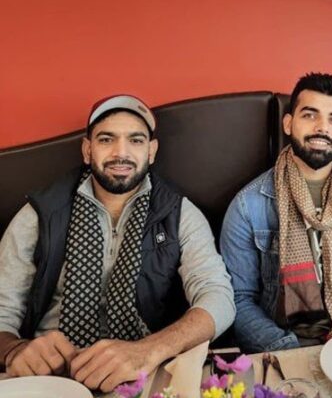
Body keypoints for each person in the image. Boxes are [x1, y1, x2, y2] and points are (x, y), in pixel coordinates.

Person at [0, 95, 235, 392]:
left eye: (135, 140)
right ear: (88, 150)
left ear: (151, 151)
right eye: (106, 139)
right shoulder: (40, 214)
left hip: (141, 374)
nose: (121, 153)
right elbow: (2, 310)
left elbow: (218, 298)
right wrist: (15, 351)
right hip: (50, 377)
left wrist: (149, 350)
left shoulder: (179, 214)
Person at [220, 73, 332, 353]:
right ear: (288, 123)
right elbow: (239, 298)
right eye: (310, 115)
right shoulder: (248, 205)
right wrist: (290, 352)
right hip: (281, 342)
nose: (322, 128)